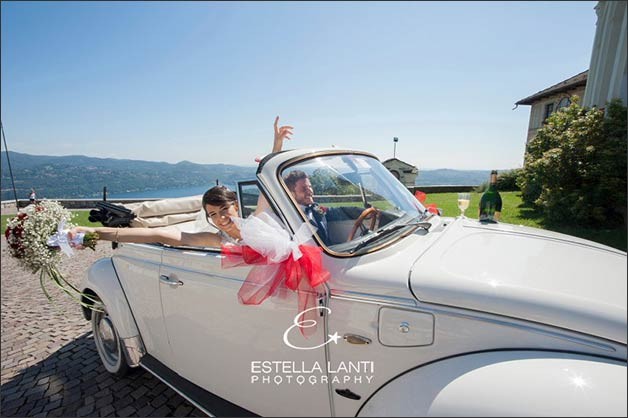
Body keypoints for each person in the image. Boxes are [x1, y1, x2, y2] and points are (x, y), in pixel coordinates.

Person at [70, 117, 294, 248]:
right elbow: (157, 235)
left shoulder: (256, 222)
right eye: (213, 214)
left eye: (224, 209)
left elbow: (267, 184)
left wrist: (276, 146)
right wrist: (94, 232)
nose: (221, 219)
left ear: (236, 205)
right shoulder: (217, 239)